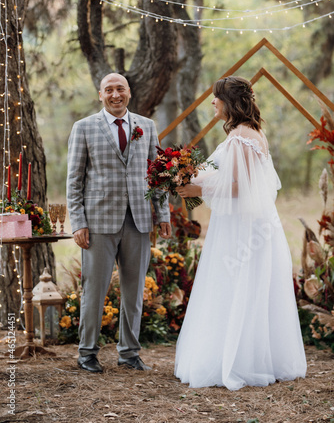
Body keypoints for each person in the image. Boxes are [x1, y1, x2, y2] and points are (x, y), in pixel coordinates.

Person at [174, 76, 307, 390]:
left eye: (215, 98)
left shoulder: (239, 138)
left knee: (235, 283)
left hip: (242, 228)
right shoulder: (252, 133)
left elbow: (240, 188)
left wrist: (196, 186)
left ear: (229, 102)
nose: (212, 104)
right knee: (249, 285)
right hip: (255, 224)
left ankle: (236, 361)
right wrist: (198, 176)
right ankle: (256, 356)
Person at [67, 73, 171, 373]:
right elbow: (74, 180)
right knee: (94, 291)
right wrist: (78, 222)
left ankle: (129, 353)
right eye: (109, 90)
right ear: (100, 95)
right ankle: (87, 353)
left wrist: (162, 214)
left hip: (139, 220)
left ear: (129, 92)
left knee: (134, 290)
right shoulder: (84, 127)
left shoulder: (146, 126)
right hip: (98, 222)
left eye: (120, 89)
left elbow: (157, 175)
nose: (115, 95)